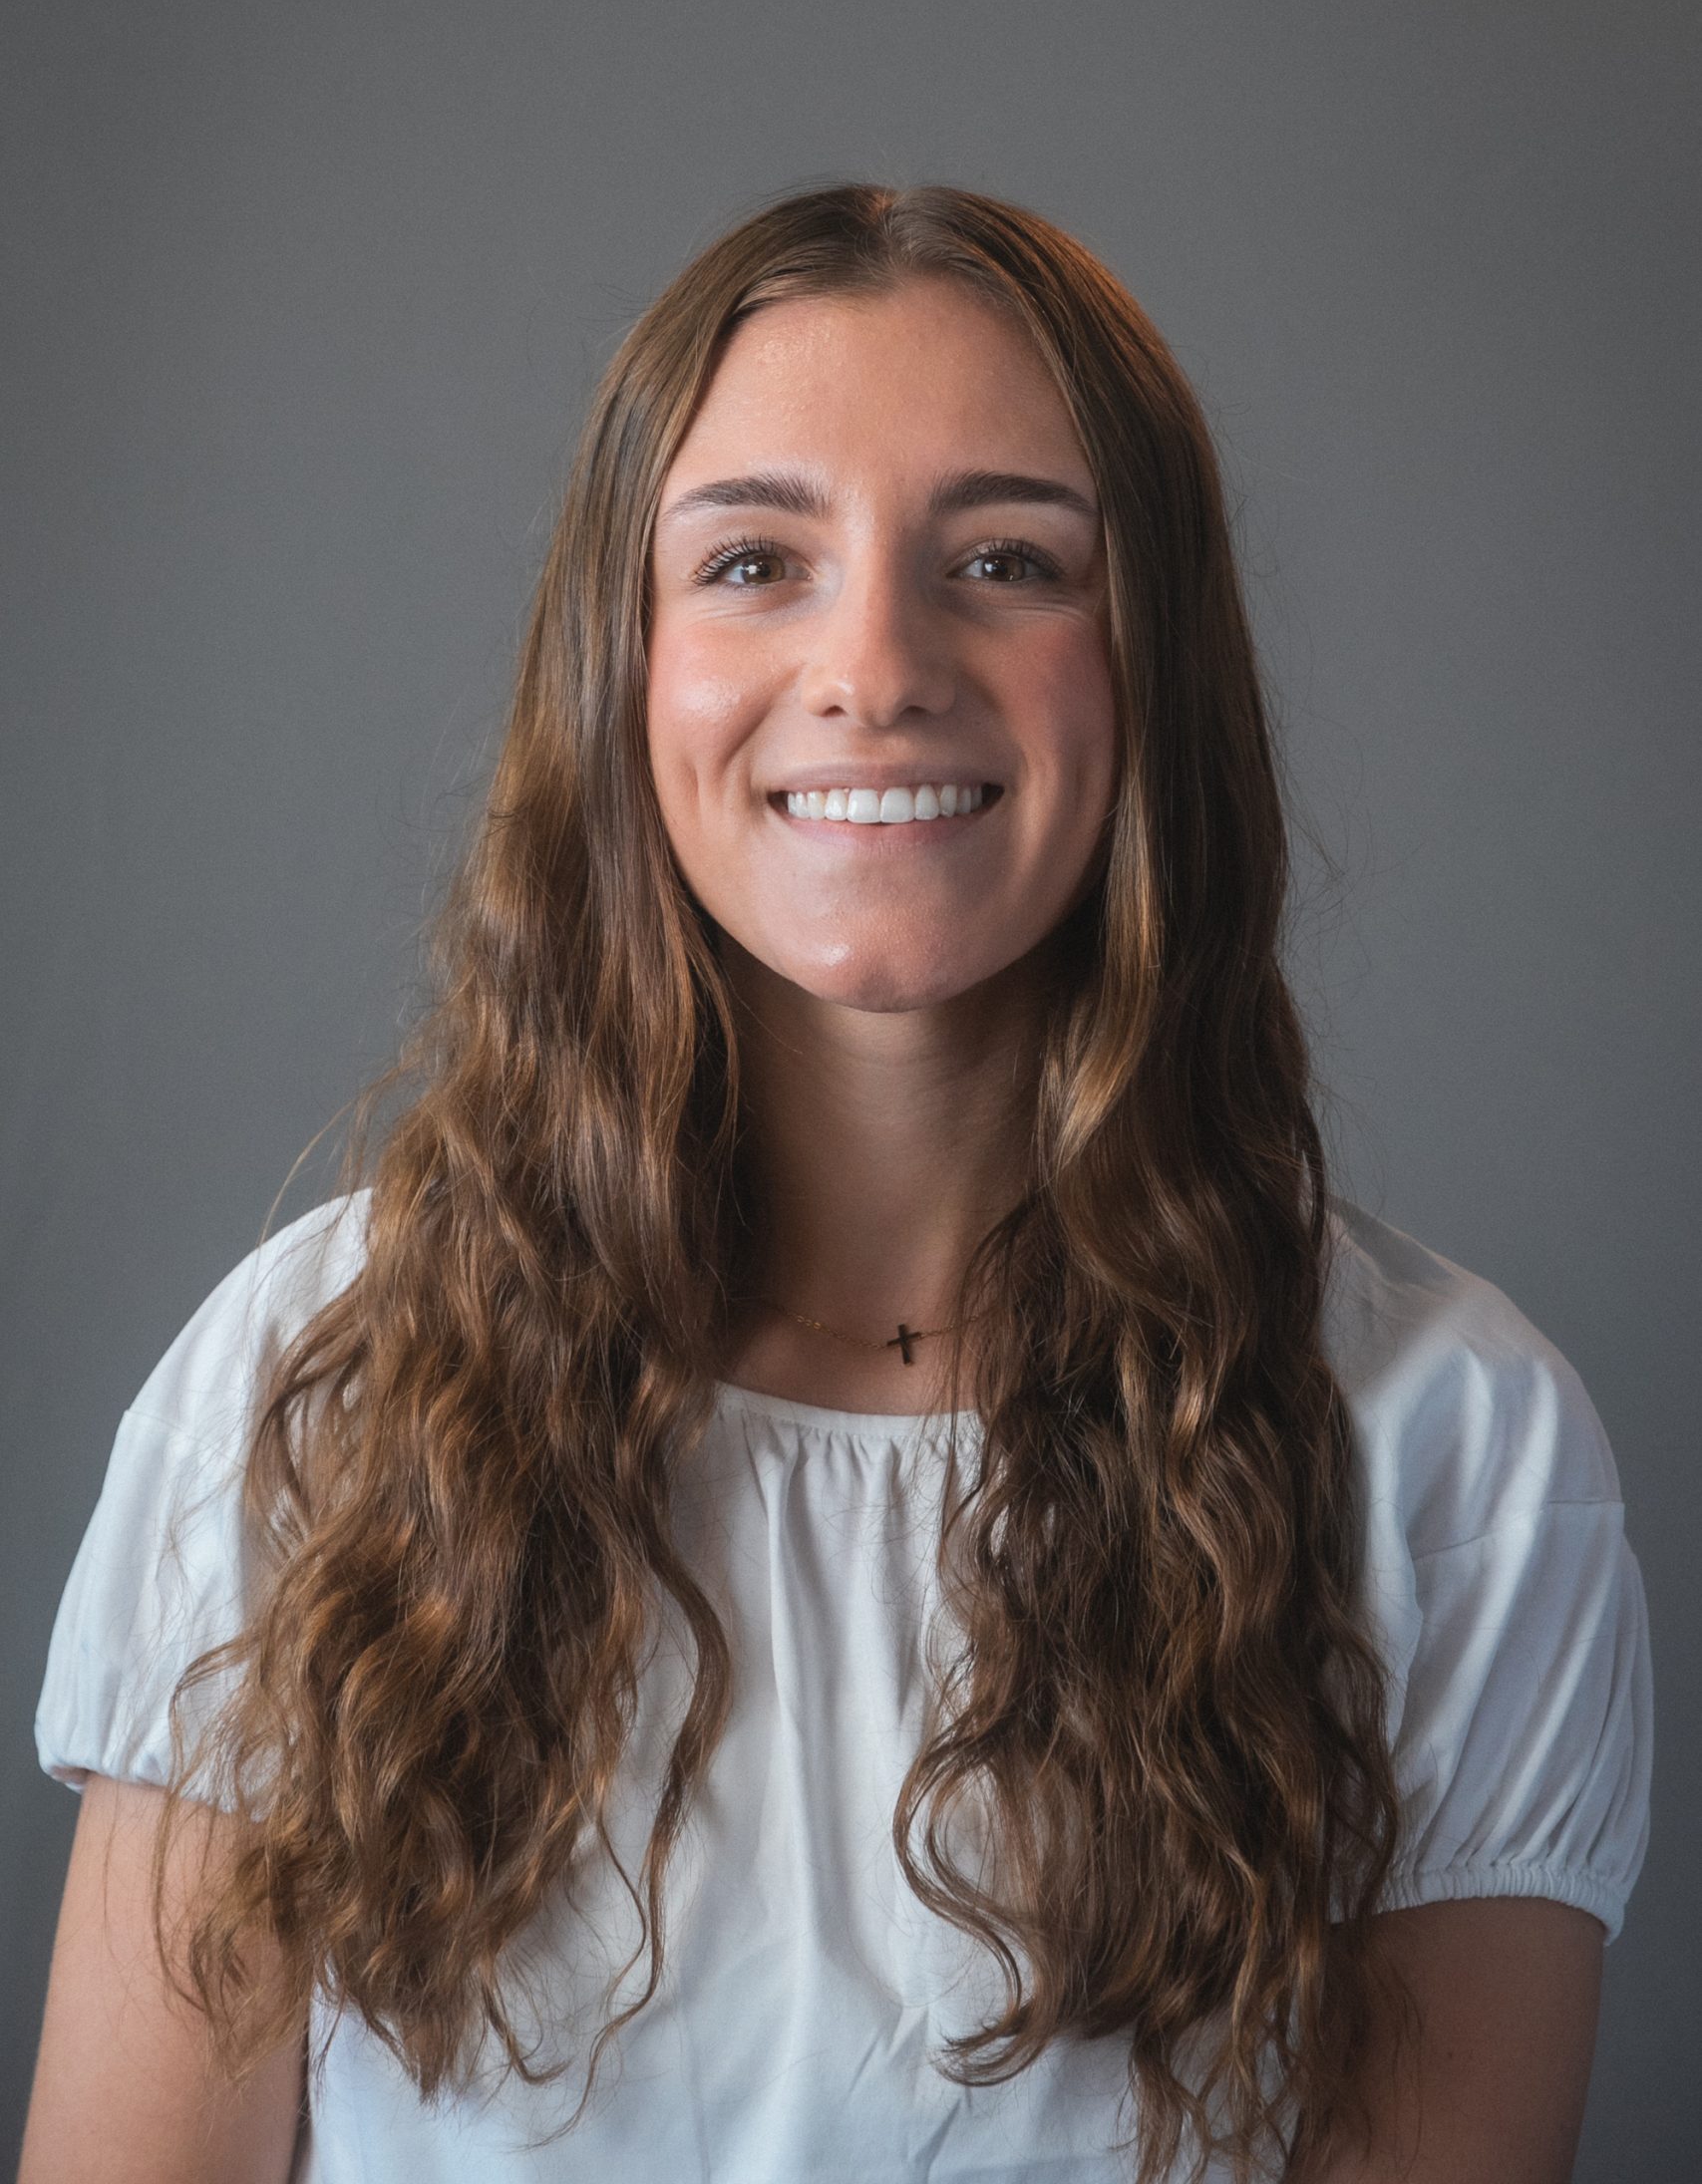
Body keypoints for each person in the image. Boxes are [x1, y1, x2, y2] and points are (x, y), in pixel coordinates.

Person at [21, 184, 1650, 2184]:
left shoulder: (1453, 1453)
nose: (873, 663)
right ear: (622, 669)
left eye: (1004, 559)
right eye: (752, 560)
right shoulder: (305, 1383)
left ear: (1154, 668)